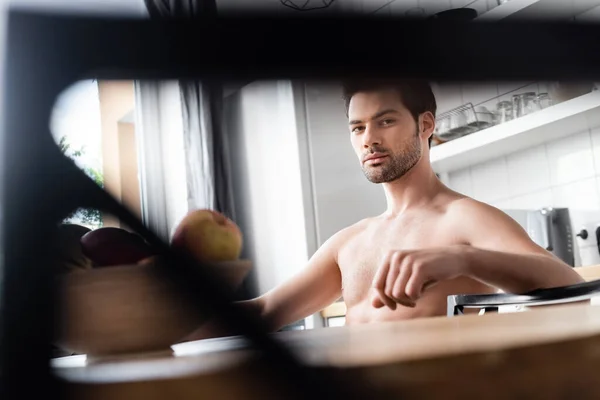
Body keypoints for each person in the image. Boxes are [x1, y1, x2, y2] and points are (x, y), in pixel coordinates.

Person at [187, 78, 583, 339]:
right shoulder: (351, 241)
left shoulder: (463, 218)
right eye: (357, 128)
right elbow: (266, 310)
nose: (369, 139)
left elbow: (569, 285)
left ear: (425, 125)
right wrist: (162, 324)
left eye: (386, 121)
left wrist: (462, 259)